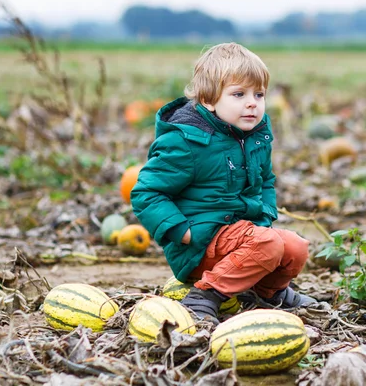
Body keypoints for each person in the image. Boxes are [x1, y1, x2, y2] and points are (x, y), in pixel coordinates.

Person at [130, 42, 316, 324]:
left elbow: (265, 180)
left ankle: (269, 292)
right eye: (239, 94)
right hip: (200, 244)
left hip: (244, 236)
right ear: (208, 100)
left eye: (259, 94)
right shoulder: (186, 143)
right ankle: (205, 295)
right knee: (268, 245)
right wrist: (180, 230)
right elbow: (147, 192)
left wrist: (265, 217)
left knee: (295, 248)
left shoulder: (255, 137)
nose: (252, 102)